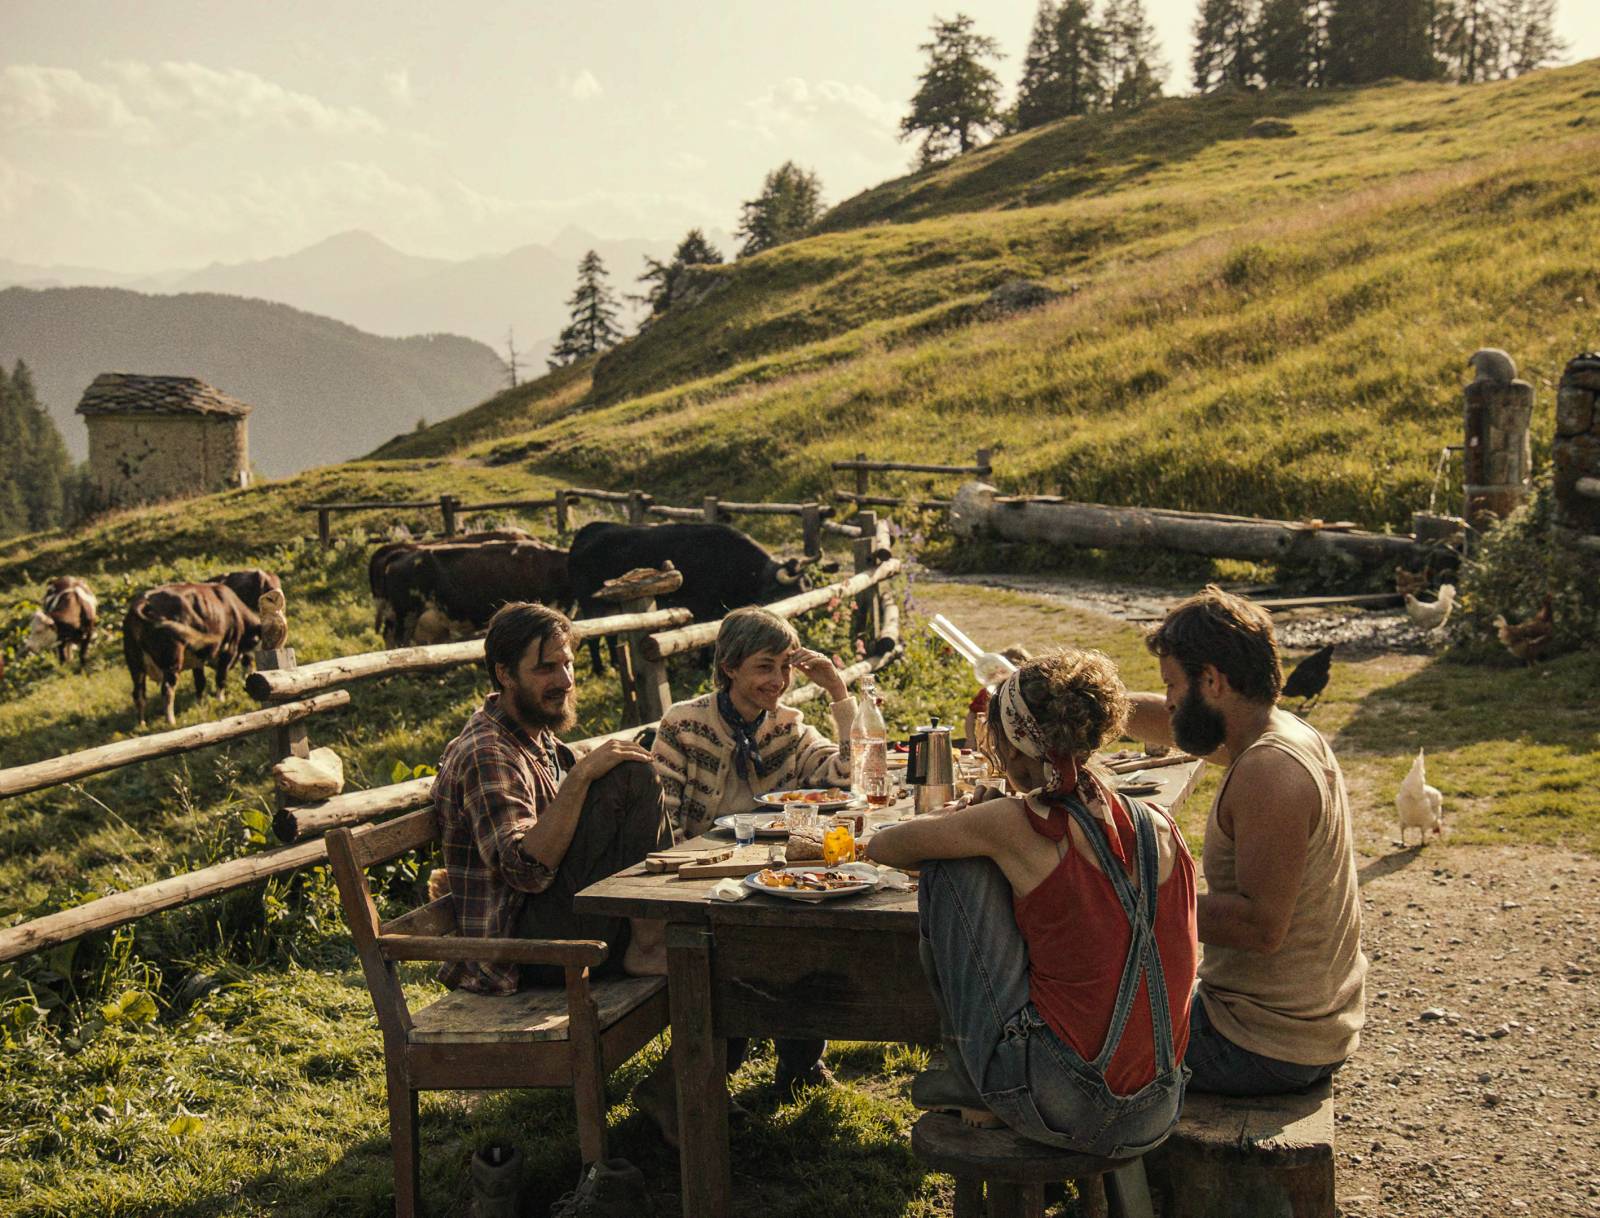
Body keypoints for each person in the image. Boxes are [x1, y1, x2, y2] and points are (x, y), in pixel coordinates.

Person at [868, 651, 1199, 1156]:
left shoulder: (1014, 822)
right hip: (1159, 1103)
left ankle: (966, 1073)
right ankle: (975, 1073)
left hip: (1072, 1104)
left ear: (1018, 746)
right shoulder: (1157, 822)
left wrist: (964, 822)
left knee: (951, 864)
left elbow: (884, 846)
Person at [1127, 585, 1366, 1096]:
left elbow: (1260, 928)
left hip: (1262, 1046)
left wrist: (1123, 898)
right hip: (1294, 1029)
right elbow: (1172, 723)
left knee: (1058, 1029)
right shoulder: (1274, 732)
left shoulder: (1270, 772)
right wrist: (1092, 705)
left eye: (1173, 685)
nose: (1168, 700)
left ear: (1211, 681)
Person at [637, 607, 855, 1137]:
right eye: (764, 667)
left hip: (766, 872)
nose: (778, 682)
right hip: (692, 876)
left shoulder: (789, 727)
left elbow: (846, 777)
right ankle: (680, 1089)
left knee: (815, 926)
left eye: (785, 667)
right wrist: (704, 864)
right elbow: (658, 822)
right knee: (738, 959)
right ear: (730, 666)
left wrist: (837, 693)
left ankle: (800, 1060)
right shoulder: (685, 723)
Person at [433, 601, 671, 995]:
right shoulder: (488, 751)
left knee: (627, 769)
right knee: (631, 775)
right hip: (522, 952)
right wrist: (581, 776)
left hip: (556, 926)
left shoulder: (536, 737)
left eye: (567, 664)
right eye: (545, 668)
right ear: (505, 675)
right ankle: (649, 944)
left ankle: (657, 937)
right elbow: (524, 871)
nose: (564, 680)